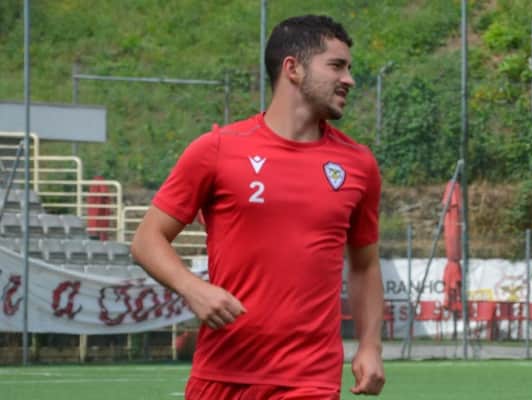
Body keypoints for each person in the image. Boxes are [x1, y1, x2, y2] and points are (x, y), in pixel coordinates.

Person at [131, 14, 385, 399]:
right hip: (222, 374)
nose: (349, 79)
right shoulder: (217, 150)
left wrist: (370, 345)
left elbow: (365, 265)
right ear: (293, 69)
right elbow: (147, 240)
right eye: (336, 66)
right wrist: (192, 288)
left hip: (310, 379)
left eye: (349, 68)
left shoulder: (358, 164)